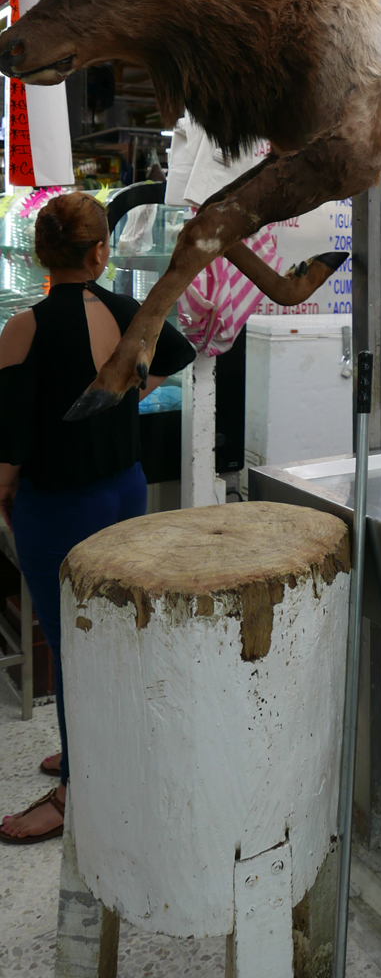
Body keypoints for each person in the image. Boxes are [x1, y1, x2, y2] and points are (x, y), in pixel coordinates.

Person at [0, 192, 195, 844]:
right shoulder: (128, 312)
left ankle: (75, 792)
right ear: (100, 252)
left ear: (39, 256)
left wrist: (5, 494)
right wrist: (129, 391)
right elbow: (179, 353)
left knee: (70, 643)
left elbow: (10, 444)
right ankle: (96, 753)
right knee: (111, 633)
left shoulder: (22, 329)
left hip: (57, 506)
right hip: (123, 494)